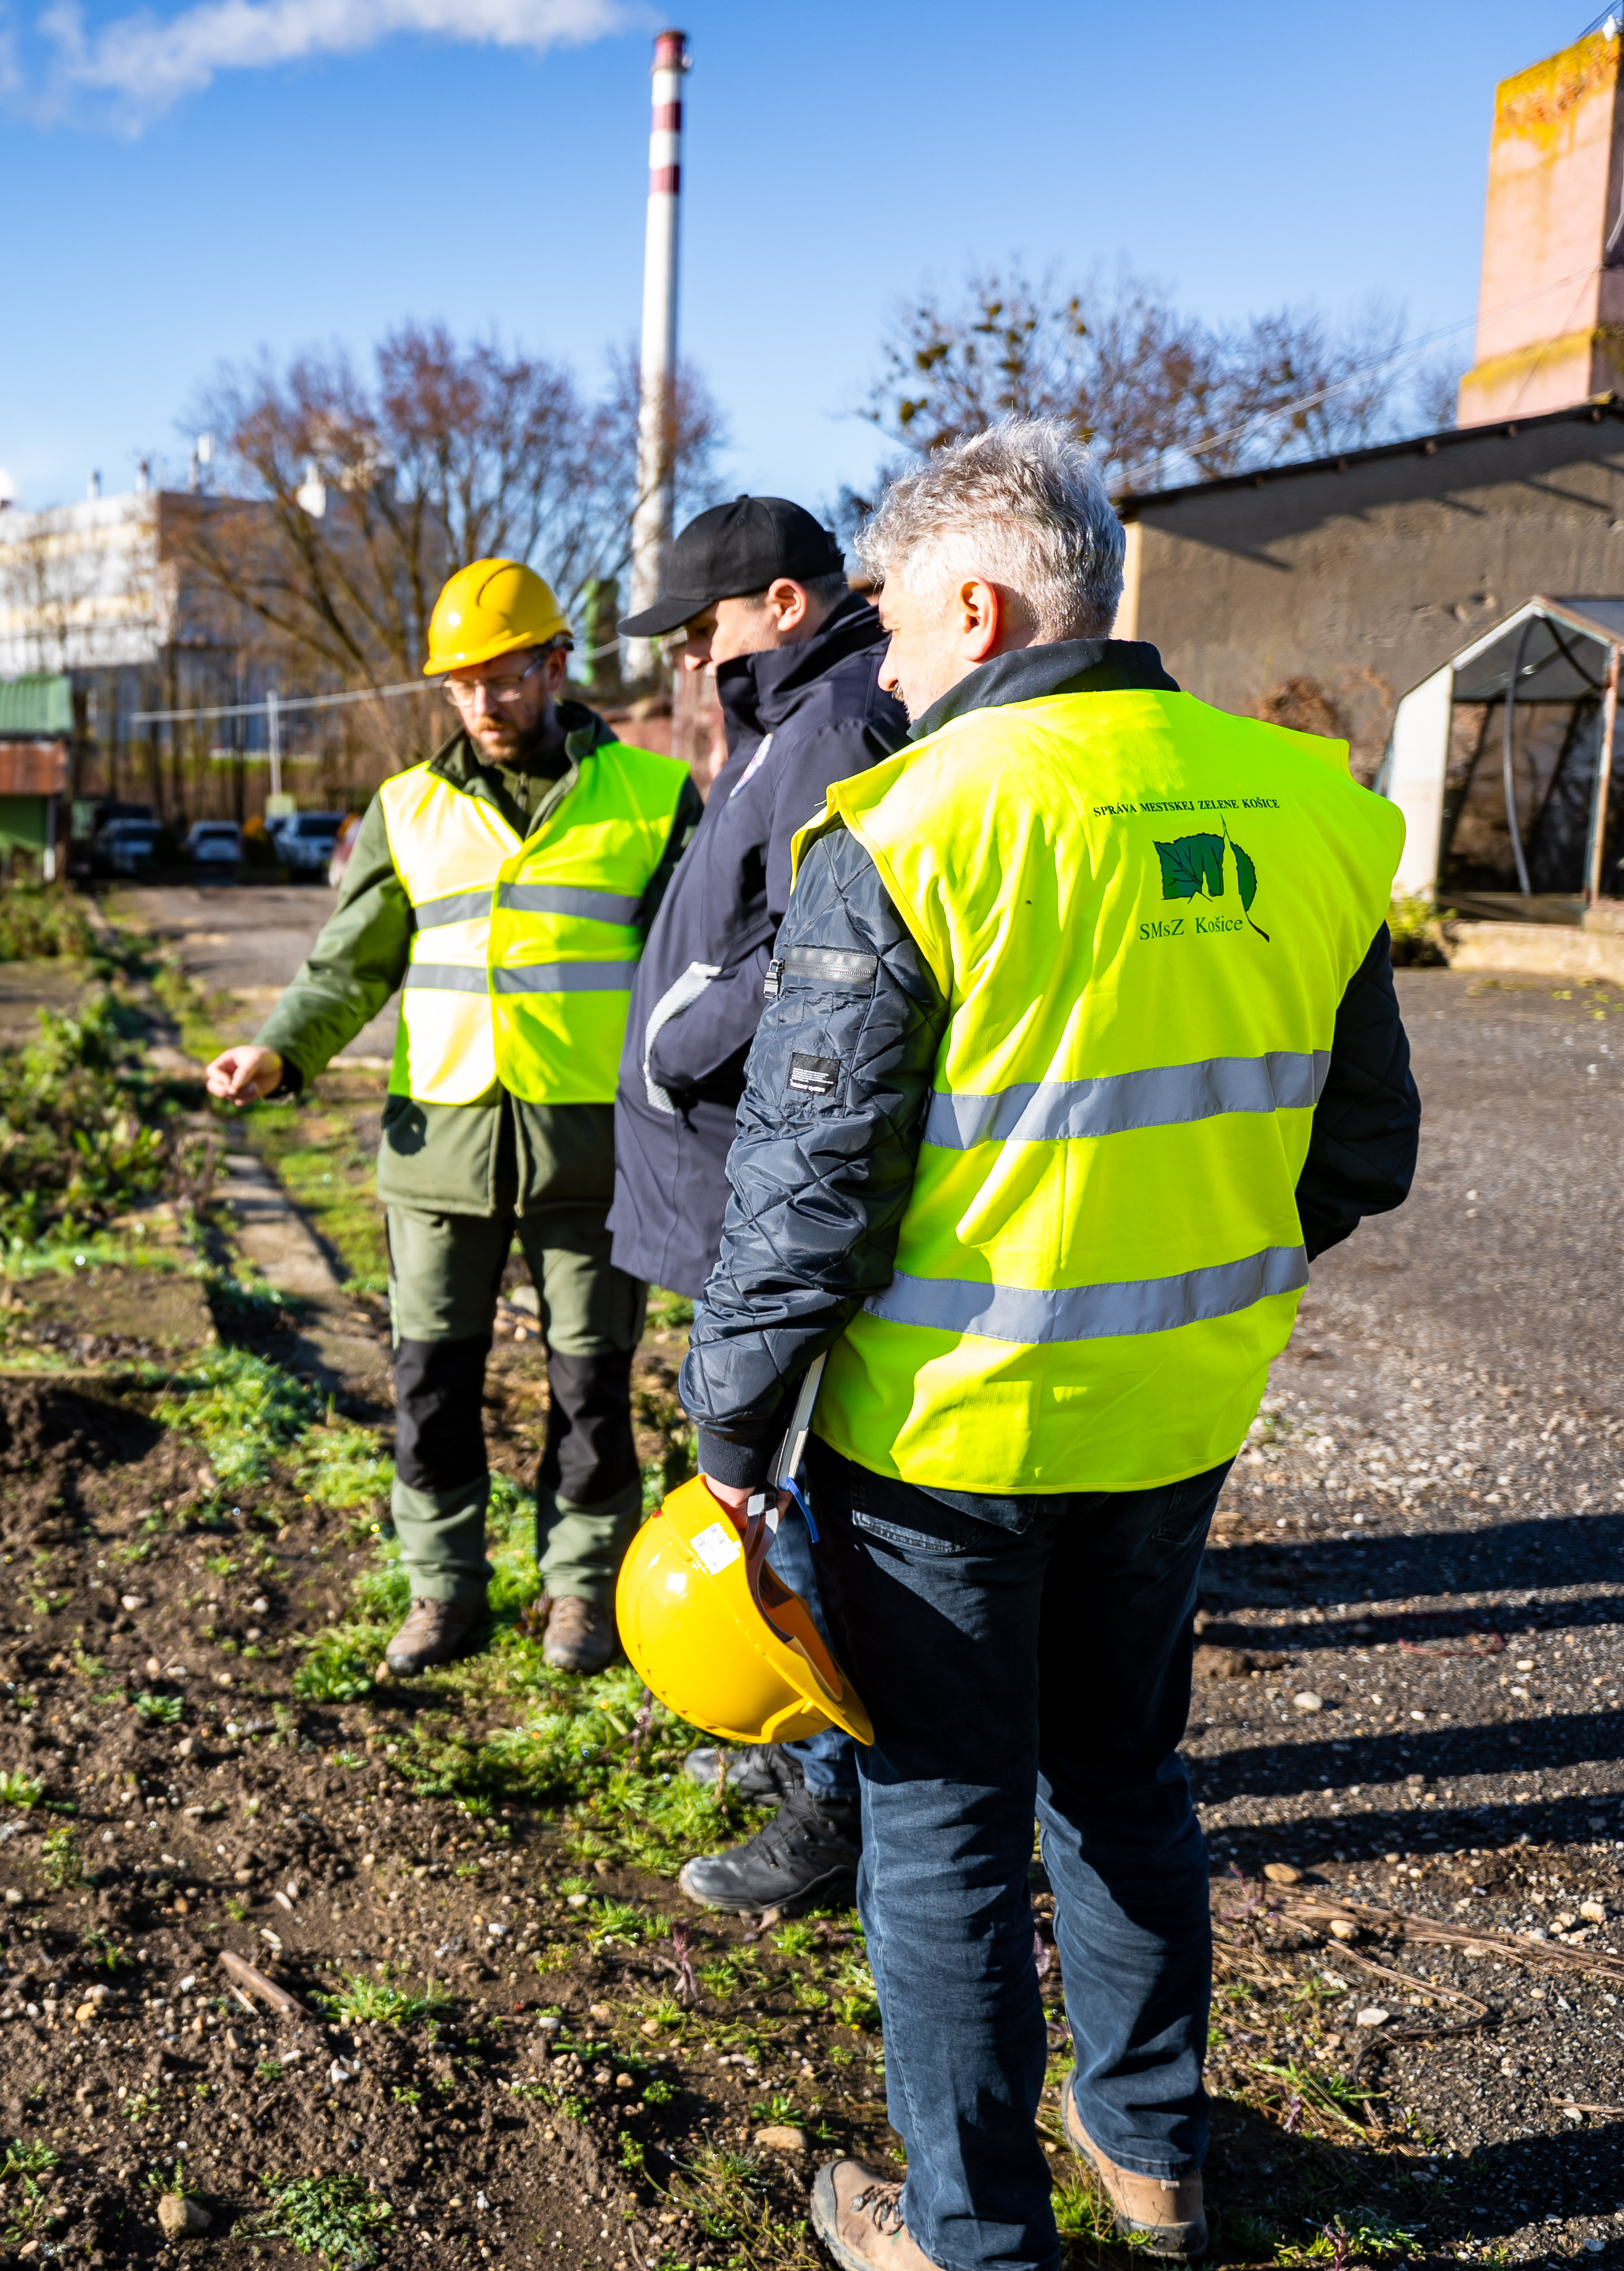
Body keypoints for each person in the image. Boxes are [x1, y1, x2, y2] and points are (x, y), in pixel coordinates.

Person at [678, 423, 1417, 2271]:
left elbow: (806, 1194)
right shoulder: (1311, 806)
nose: (895, 681)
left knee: (939, 1825)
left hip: (939, 1444)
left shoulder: (918, 826)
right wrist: (1184, 1261)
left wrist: (729, 1437)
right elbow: (1365, 1153)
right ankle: (1154, 2166)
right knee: (1125, 1780)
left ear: (982, 608)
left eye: (904, 642)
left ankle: (972, 2236)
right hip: (1176, 1421)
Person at [207, 559, 695, 1677]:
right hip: (441, 1147)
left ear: (555, 664)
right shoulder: (407, 809)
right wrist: (279, 1048)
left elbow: (694, 968)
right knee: (431, 1381)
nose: (484, 703)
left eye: (505, 677)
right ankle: (444, 1586)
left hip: (592, 1148)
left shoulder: (655, 798)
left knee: (592, 1379)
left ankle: (580, 1589)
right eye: (461, 685)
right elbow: (352, 959)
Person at [607, 496, 909, 1913]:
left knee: (783, 1495)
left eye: (701, 623)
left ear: (783, 604)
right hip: (724, 1167)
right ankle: (798, 1747)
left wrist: (678, 1033)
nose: (687, 651)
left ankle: (834, 1807)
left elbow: (817, 949)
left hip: (759, 1171)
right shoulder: (787, 715)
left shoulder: (835, 721)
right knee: (769, 1487)